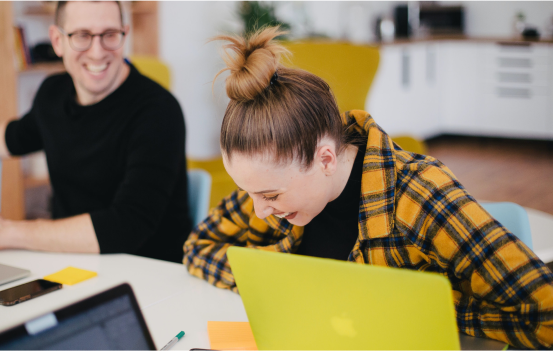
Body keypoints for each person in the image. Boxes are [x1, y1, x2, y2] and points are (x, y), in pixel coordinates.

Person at [183, 26, 553, 348]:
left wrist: (426, 309)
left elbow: (544, 313)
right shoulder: (274, 186)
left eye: (270, 196)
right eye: (249, 192)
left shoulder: (419, 195)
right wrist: (281, 285)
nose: (259, 209)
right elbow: (198, 247)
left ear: (325, 159)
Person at [0, 0, 191, 263]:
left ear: (124, 35)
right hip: (70, 263)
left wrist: (6, 231)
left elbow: (127, 226)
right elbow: (15, 136)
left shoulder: (159, 111)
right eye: (82, 36)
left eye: (109, 35)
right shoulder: (53, 93)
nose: (97, 52)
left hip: (149, 275)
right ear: (57, 41)